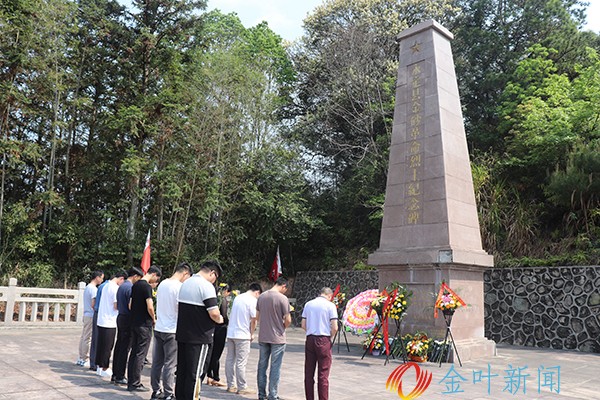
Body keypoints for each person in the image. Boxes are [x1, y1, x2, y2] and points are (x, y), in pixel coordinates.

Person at [175, 260, 224, 400]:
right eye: (216, 277)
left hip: (183, 335)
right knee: (195, 373)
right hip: (199, 337)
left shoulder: (186, 283)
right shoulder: (206, 286)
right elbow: (214, 313)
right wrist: (221, 319)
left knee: (182, 371)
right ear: (212, 273)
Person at [150, 263, 193, 400]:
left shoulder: (162, 284)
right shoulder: (179, 287)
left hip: (159, 328)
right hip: (172, 330)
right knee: (170, 364)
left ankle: (156, 390)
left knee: (157, 362)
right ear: (185, 273)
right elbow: (181, 309)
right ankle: (169, 393)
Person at [127, 265, 162, 392]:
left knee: (134, 352)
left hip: (134, 323)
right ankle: (136, 383)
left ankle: (131, 381)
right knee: (141, 354)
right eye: (157, 279)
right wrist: (154, 318)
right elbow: (150, 306)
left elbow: (130, 305)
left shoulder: (135, 285)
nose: (155, 281)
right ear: (154, 275)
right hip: (144, 324)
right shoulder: (146, 286)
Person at [256, 277, 291, 400]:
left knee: (262, 366)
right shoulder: (282, 298)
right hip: (278, 338)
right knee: (275, 367)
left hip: (263, 336)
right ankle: (273, 395)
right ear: (283, 286)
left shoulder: (261, 296)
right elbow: (288, 319)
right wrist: (282, 326)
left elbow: (257, 316)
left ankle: (261, 394)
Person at [301, 287, 338, 400]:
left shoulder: (308, 304)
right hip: (323, 338)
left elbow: (303, 324)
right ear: (330, 295)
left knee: (309, 372)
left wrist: (311, 331)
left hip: (310, 338)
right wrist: (330, 336)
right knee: (323, 374)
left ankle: (309, 397)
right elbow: (335, 327)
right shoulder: (330, 306)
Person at [225, 282, 262, 394]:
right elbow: (254, 319)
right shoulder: (253, 300)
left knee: (230, 360)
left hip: (231, 333)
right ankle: (242, 387)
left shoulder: (238, 298)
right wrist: (252, 333)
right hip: (242, 335)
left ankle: (231, 385)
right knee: (241, 362)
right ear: (257, 292)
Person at [111, 267, 143, 385]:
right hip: (128, 319)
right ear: (135, 276)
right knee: (125, 348)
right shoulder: (130, 288)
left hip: (121, 317)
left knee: (119, 346)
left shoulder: (122, 286)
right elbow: (131, 305)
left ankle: (115, 374)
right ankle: (120, 375)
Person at [95, 270, 128, 378]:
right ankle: (104, 367)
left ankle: (99, 367)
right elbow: (115, 305)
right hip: (109, 321)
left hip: (102, 319)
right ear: (121, 278)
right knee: (107, 346)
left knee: (101, 345)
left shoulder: (106, 285)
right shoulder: (115, 288)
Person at [204, 284, 231, 387]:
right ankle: (215, 377)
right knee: (216, 354)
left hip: (211, 328)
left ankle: (209, 376)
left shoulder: (212, 301)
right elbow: (224, 315)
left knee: (211, 353)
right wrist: (228, 321)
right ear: (226, 291)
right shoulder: (222, 301)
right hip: (220, 329)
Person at [76, 270, 104, 367]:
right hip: (91, 315)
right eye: (101, 278)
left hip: (86, 314)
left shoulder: (88, 287)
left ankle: (81, 357)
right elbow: (93, 304)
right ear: (97, 277)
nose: (102, 280)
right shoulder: (93, 289)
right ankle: (85, 358)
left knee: (84, 336)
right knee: (88, 338)